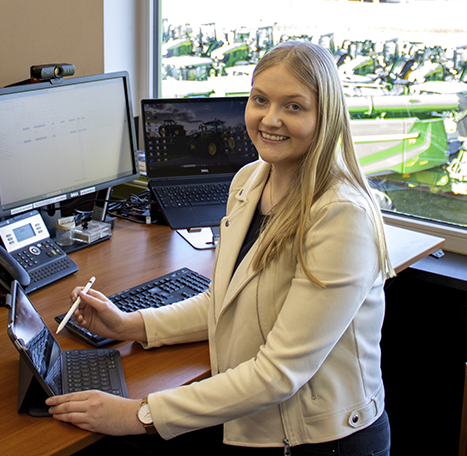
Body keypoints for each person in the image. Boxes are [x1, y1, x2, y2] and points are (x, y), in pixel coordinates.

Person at [47, 40, 395, 454]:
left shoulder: (341, 215)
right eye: (260, 100)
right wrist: (130, 326)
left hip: (323, 442)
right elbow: (222, 301)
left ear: (326, 116)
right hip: (258, 426)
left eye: (294, 106)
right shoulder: (250, 180)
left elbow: (278, 373)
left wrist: (140, 413)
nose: (271, 119)